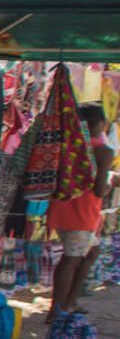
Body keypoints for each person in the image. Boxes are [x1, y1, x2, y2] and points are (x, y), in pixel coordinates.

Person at [48, 103, 115, 315]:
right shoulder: (104, 151)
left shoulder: (69, 145)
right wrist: (111, 183)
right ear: (102, 124)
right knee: (71, 259)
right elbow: (99, 190)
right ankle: (58, 309)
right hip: (83, 212)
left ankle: (69, 302)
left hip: (63, 207)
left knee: (89, 253)